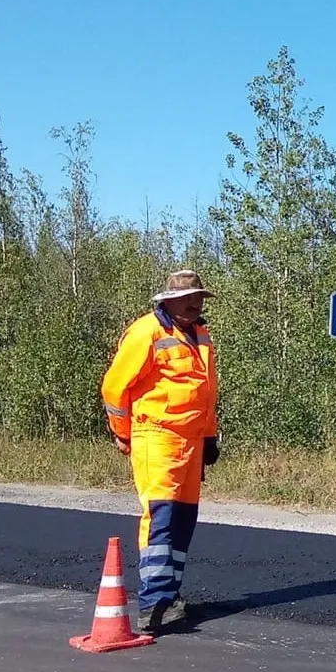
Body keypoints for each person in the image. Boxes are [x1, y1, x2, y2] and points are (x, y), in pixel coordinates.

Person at [101, 269, 221, 635]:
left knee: (183, 521)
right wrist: (123, 434)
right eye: (190, 298)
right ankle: (152, 603)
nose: (196, 303)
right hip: (158, 437)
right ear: (167, 300)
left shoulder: (200, 333)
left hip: (190, 441)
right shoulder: (146, 332)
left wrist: (209, 437)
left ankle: (169, 596)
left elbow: (205, 390)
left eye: (199, 298)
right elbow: (114, 389)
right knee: (161, 518)